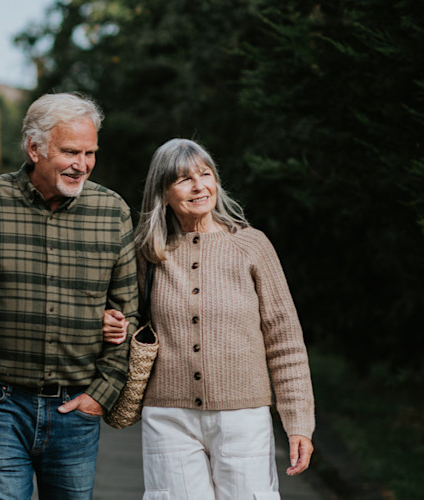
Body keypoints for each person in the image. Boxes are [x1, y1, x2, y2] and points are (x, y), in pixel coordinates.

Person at [0, 93, 139, 500]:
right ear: (34, 147)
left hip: (76, 405)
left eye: (90, 152)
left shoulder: (112, 212)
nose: (83, 164)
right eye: (71, 151)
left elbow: (128, 310)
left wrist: (102, 393)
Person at [102, 138, 315, 500]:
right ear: (163, 192)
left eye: (206, 174)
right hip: (168, 417)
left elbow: (285, 341)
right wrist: (111, 323)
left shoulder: (251, 245)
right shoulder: (145, 250)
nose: (200, 186)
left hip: (243, 416)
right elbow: (123, 314)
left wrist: (298, 424)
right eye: (184, 179)